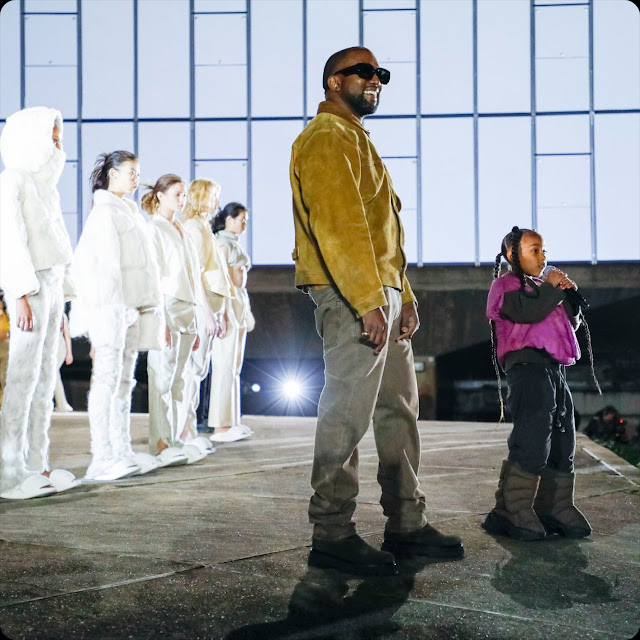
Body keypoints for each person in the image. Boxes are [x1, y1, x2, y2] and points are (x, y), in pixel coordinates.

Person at [289, 47, 464, 576]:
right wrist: (368, 302)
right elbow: (340, 230)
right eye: (364, 72)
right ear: (333, 81)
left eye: (381, 75)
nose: (376, 81)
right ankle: (333, 532)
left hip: (378, 292)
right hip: (349, 295)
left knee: (397, 411)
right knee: (346, 414)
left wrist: (402, 294)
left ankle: (406, 524)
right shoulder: (325, 138)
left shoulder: (358, 141)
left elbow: (382, 237)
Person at [482, 226, 592, 541]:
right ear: (511, 255)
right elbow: (526, 313)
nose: (542, 256)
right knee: (532, 437)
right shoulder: (505, 285)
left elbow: (565, 325)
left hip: (554, 370)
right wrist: (552, 290)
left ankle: (555, 506)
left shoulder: (544, 287)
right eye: (534, 250)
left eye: (543, 250)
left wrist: (569, 299)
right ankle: (510, 509)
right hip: (527, 368)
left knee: (563, 438)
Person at [0, 106, 78, 499]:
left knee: (45, 377)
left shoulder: (46, 187)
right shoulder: (11, 181)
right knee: (22, 379)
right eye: (52, 134)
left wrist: (65, 300)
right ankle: (8, 470)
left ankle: (38, 463)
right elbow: (9, 240)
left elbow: (60, 245)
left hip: (52, 283)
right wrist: (19, 294)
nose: (58, 142)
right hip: (29, 288)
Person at [71, 151, 164, 481]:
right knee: (107, 382)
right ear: (112, 174)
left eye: (139, 173)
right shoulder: (105, 212)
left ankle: (120, 449)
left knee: (125, 382)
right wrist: (106, 319)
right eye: (130, 172)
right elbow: (100, 269)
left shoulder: (131, 212)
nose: (136, 178)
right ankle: (102, 456)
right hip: (111, 310)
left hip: (131, 309)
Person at [142, 174, 217, 465]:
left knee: (180, 380)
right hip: (168, 307)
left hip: (187, 309)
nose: (182, 199)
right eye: (176, 194)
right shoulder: (154, 229)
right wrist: (158, 319)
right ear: (160, 195)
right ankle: (160, 443)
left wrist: (199, 317)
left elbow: (194, 274)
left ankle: (173, 439)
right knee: (162, 376)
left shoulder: (182, 229)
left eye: (184, 194)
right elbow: (155, 277)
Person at [178, 178, 232, 444]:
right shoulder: (193, 228)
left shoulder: (202, 227)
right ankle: (184, 432)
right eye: (212, 197)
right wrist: (207, 313)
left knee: (198, 370)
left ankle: (188, 431)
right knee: (193, 369)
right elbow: (195, 273)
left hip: (209, 307)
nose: (217, 204)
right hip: (201, 308)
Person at [209, 203, 255, 443]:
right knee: (224, 365)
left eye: (246, 219)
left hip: (238, 302)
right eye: (241, 219)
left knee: (234, 367)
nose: (244, 223)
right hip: (227, 303)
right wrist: (221, 313)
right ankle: (220, 425)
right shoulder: (222, 244)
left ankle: (232, 421)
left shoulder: (232, 242)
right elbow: (218, 281)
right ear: (228, 219)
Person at [53, 311, 73, 412]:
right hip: (53, 346)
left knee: (54, 375)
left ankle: (61, 403)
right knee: (54, 375)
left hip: (58, 347)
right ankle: (60, 403)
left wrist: (69, 353)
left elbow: (67, 336)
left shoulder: (62, 316)